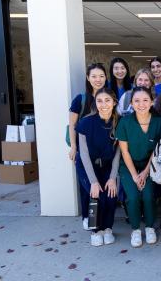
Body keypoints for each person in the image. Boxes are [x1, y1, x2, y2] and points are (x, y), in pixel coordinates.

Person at [116, 87, 161, 247]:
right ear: (131, 103)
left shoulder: (159, 122)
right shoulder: (125, 122)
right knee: (132, 197)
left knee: (148, 196)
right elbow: (124, 151)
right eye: (136, 101)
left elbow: (157, 150)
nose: (141, 104)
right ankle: (136, 229)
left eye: (145, 100)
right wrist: (134, 175)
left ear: (152, 102)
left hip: (149, 164)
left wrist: (144, 173)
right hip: (128, 165)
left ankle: (150, 227)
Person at [76, 88, 120, 246]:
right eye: (99, 101)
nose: (104, 104)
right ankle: (95, 230)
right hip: (87, 166)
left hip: (108, 165)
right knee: (95, 195)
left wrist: (112, 178)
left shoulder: (119, 122)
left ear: (114, 102)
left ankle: (107, 228)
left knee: (110, 195)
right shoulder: (85, 123)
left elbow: (117, 153)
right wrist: (93, 181)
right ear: (95, 103)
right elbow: (84, 154)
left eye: (107, 100)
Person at [69, 63, 107, 230]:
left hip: (103, 153)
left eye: (101, 76)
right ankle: (87, 216)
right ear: (88, 78)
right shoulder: (81, 99)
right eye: (94, 76)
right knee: (86, 187)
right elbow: (72, 125)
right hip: (84, 151)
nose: (98, 80)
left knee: (102, 185)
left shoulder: (109, 97)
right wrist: (73, 147)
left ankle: (103, 220)